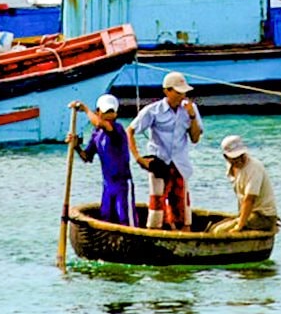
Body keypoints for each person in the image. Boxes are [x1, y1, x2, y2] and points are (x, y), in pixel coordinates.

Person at [129, 71, 203, 230]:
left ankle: (183, 230)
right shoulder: (153, 110)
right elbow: (130, 130)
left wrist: (192, 117)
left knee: (181, 202)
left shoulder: (191, 109)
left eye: (184, 92)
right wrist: (138, 158)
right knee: (157, 201)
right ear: (167, 91)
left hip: (180, 163)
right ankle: (154, 230)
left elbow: (195, 138)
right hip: (160, 161)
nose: (182, 96)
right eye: (178, 92)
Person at [69, 94, 140, 225]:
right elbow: (87, 157)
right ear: (98, 112)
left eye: (112, 112)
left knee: (125, 219)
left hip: (122, 185)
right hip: (108, 186)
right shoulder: (97, 134)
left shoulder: (117, 129)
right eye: (106, 112)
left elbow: (99, 123)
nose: (109, 115)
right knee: (106, 217)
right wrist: (76, 146)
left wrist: (85, 109)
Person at [212, 135, 280, 234]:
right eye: (234, 158)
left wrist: (239, 226)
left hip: (263, 216)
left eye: (241, 156)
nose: (239, 160)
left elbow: (249, 200)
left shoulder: (254, 168)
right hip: (251, 214)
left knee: (219, 231)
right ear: (226, 157)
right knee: (214, 227)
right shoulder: (231, 167)